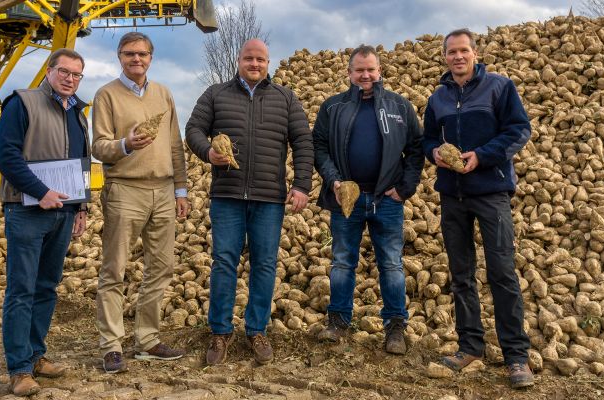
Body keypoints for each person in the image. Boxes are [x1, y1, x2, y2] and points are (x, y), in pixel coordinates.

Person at [185, 38, 313, 366]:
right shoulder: (216, 94)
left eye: (260, 59)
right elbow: (194, 129)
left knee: (265, 264)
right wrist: (208, 153)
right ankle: (219, 332)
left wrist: (300, 184)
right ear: (239, 60)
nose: (254, 64)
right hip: (227, 195)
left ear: (268, 63)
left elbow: (302, 141)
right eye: (248, 58)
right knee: (224, 262)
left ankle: (257, 330)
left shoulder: (285, 98)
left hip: (269, 197)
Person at [422, 28, 533, 388]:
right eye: (451, 52)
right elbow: (426, 138)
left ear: (475, 52)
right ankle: (470, 345)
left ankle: (516, 356)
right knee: (461, 273)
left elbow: (519, 130)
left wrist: (481, 157)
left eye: (464, 51)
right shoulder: (438, 97)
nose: (458, 57)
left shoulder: (499, 87)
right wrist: (434, 153)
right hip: (452, 195)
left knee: (502, 271)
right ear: (444, 57)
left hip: (490, 191)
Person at [312, 45, 424, 354]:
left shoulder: (399, 106)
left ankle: (395, 327)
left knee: (391, 264)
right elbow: (318, 146)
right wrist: (334, 180)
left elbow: (417, 148)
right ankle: (337, 322)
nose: (365, 75)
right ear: (349, 73)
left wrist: (405, 188)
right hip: (345, 199)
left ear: (380, 71)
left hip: (386, 199)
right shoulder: (332, 107)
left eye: (371, 69)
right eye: (359, 70)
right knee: (343, 261)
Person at [91, 32, 190, 374]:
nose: (136, 59)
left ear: (151, 57)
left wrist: (181, 189)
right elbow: (99, 147)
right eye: (129, 53)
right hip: (124, 189)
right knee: (114, 269)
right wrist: (125, 144)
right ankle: (111, 345)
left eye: (142, 54)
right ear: (119, 56)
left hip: (163, 190)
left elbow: (175, 144)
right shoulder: (107, 95)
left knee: (161, 266)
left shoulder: (163, 93)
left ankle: (147, 339)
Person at [0, 48, 89, 396]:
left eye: (76, 75)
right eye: (64, 72)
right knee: (21, 289)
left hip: (62, 213)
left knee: (47, 287)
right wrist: (40, 191)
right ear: (50, 71)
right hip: (27, 211)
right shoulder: (22, 103)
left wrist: (81, 208)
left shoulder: (79, 111)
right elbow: (5, 156)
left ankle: (36, 355)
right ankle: (18, 369)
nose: (70, 79)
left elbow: (82, 163)